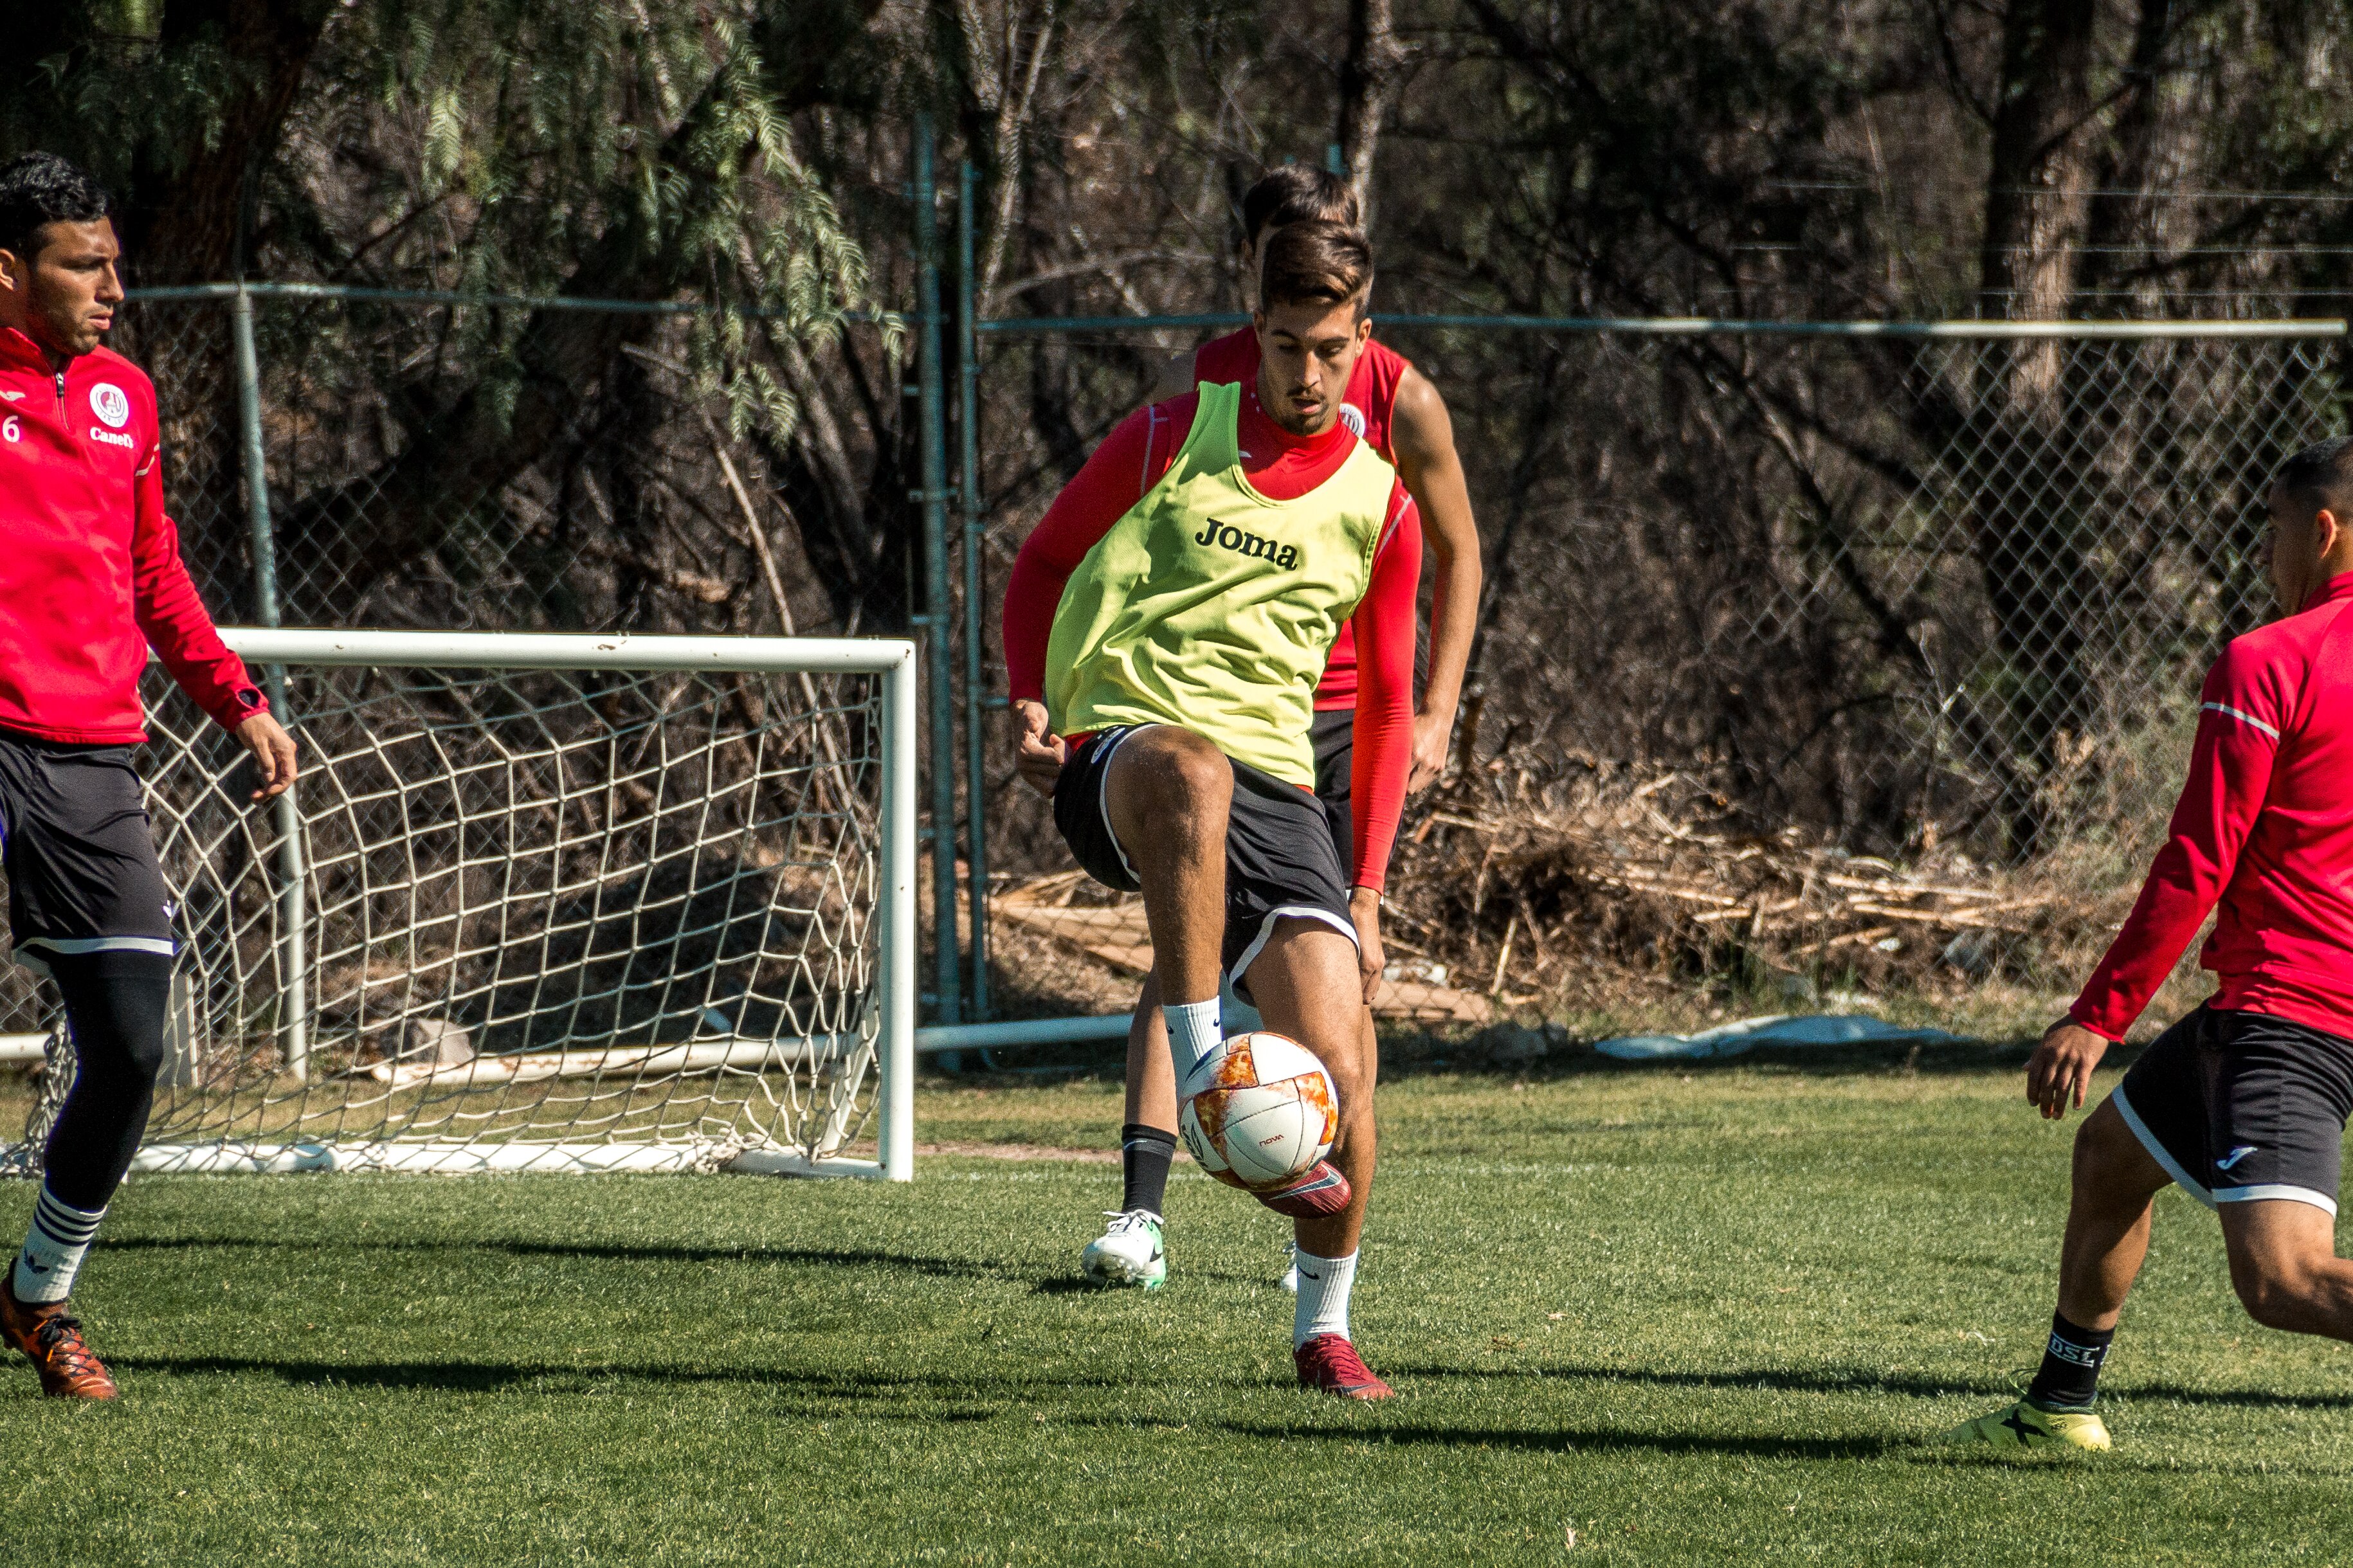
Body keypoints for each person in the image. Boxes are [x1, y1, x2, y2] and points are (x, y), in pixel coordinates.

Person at [1004, 221, 1419, 1398]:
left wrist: (1370, 890)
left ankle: (1323, 1334)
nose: (1304, 373)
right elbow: (1042, 563)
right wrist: (1034, 701)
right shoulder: (1170, 437)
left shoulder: (1382, 508)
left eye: (1330, 349)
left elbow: (1386, 710)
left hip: (1281, 793)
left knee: (1346, 1064)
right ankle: (1199, 1071)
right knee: (1191, 771)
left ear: (1362, 341)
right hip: (1129, 751)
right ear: (1253, 328)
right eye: (1284, 344)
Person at [1082, 167, 1482, 1295]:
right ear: (1252, 286)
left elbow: (1455, 550)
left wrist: (1438, 706)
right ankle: (1144, 1210)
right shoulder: (1203, 380)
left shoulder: (1402, 398)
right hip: (1221, 706)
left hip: (1354, 710)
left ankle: (1324, 1256)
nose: (1300, 348)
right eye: (1269, 275)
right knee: (1185, 949)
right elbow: (1118, 533)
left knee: (1344, 982)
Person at [1945, 435, 2353, 1452]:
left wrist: (2098, 1015)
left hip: (2293, 1010)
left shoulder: (2271, 661)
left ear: (2324, 531)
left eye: (2271, 526)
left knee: (2284, 1277)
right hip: (2282, 1006)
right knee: (2114, 1158)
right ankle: (2057, 1407)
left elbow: (2196, 860)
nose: (2266, 550)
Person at [0, 152, 298, 1400]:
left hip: (87, 753)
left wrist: (236, 698)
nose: (114, 286)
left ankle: (38, 1294)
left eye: (116, 262)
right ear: (8, 270)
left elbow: (153, 570)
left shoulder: (126, 396)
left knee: (129, 1043)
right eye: (85, 263)